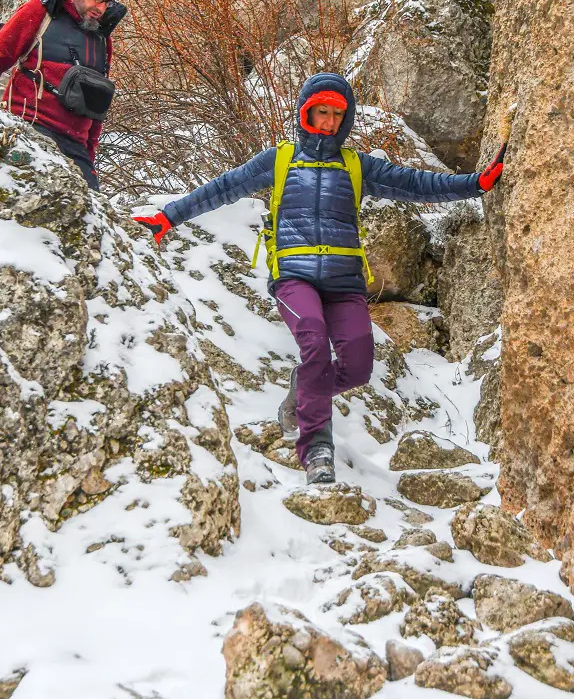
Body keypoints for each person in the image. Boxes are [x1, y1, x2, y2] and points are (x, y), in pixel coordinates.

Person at [134, 73, 506, 484]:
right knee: (312, 340)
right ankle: (317, 451)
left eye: (336, 114)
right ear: (305, 112)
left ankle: (303, 388)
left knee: (359, 366)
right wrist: (168, 216)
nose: (328, 122)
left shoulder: (356, 165)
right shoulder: (278, 160)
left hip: (345, 281)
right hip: (294, 277)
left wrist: (476, 184)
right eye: (320, 112)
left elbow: (418, 183)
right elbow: (223, 188)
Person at [0, 0, 126, 191]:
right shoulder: (40, 12)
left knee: (91, 219)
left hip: (76, 149)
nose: (101, 9)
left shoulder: (103, 40)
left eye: (107, 3)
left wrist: (89, 161)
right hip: (28, 128)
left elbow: (96, 110)